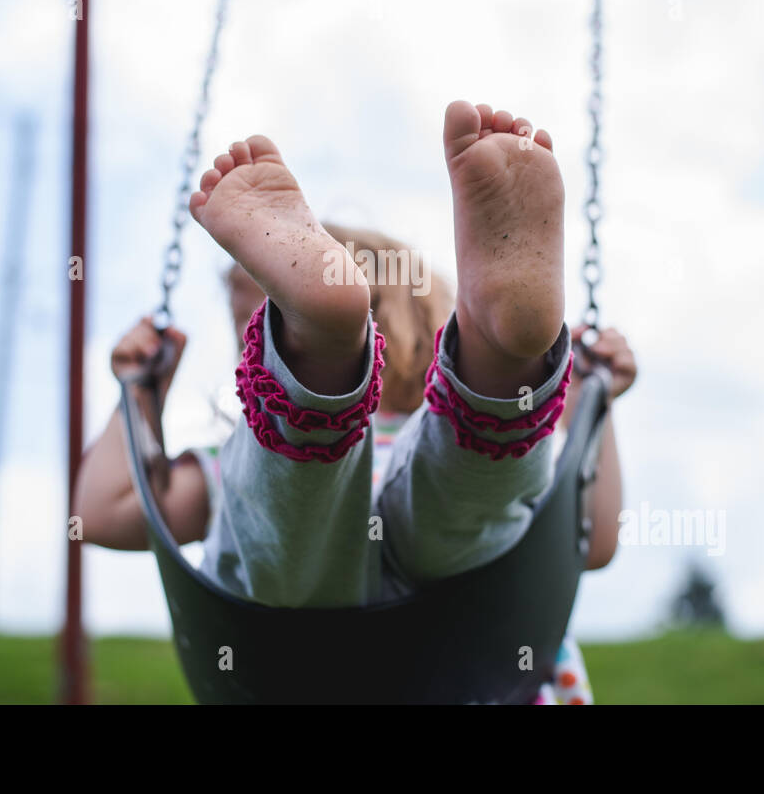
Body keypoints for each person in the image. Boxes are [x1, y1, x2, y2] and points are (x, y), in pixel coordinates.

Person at [75, 101, 638, 703]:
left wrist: (139, 392)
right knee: (476, 493)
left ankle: (313, 374)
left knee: (285, 520)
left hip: (298, 660)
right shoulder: (452, 447)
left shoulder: (223, 465)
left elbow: (102, 513)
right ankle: (503, 368)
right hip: (479, 654)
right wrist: (587, 403)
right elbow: (590, 538)